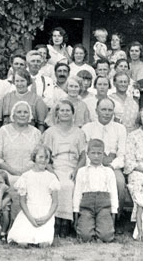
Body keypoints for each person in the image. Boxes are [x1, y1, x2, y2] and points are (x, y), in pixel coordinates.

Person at [82, 98, 127, 232]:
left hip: (113, 165)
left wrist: (112, 166)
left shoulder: (120, 128)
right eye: (103, 110)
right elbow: (84, 152)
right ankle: (87, 218)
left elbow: (122, 154)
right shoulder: (87, 128)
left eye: (110, 110)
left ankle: (115, 219)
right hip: (92, 163)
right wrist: (94, 164)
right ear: (96, 111)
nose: (107, 113)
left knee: (119, 182)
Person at [42, 100, 87, 237]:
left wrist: (77, 170)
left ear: (73, 114)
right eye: (62, 110)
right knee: (58, 184)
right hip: (55, 166)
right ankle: (57, 220)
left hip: (72, 166)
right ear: (57, 113)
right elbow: (45, 156)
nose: (65, 113)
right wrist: (51, 171)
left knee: (68, 184)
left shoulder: (79, 132)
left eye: (68, 110)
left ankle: (66, 221)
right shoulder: (50, 132)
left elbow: (83, 156)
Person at [0, 101, 42, 222]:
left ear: (30, 115)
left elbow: (39, 156)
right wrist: (12, 171)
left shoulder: (36, 133)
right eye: (19, 112)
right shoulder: (2, 131)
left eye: (25, 112)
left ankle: (30, 221)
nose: (22, 115)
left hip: (30, 171)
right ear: (13, 115)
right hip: (7, 172)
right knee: (11, 181)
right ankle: (8, 224)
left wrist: (25, 171)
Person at [7, 145, 60, 247]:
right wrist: (30, 218)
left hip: (45, 212)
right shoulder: (26, 176)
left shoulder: (52, 177)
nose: (43, 160)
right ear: (34, 157)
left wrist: (46, 217)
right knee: (22, 243)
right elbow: (22, 202)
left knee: (44, 244)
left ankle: (43, 237)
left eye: (46, 157)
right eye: (41, 157)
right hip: (29, 212)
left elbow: (55, 202)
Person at [73, 139, 118, 243]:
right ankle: (88, 229)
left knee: (106, 237)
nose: (96, 156)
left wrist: (114, 211)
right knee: (84, 236)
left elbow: (114, 193)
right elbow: (77, 192)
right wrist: (76, 211)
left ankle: (102, 229)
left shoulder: (108, 171)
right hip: (86, 207)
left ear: (104, 154)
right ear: (88, 154)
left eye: (99, 153)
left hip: (104, 207)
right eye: (93, 153)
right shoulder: (82, 171)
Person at [0, 68, 47, 136]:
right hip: (7, 135)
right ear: (14, 82)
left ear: (28, 81)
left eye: (22, 81)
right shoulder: (7, 97)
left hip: (28, 135)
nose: (19, 84)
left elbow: (41, 125)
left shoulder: (37, 100)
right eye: (17, 81)